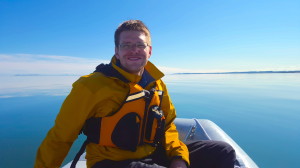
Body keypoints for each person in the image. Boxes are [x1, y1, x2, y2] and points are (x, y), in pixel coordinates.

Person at [34, 20, 236, 168]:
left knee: (223, 151)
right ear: (116, 50)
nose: (134, 50)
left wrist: (178, 159)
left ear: (149, 51)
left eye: (140, 45)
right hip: (109, 162)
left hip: (151, 154)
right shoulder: (91, 86)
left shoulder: (157, 85)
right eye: (126, 45)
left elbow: (167, 126)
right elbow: (60, 137)